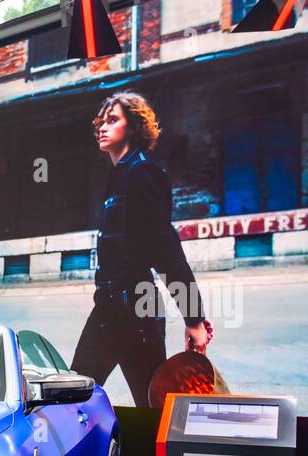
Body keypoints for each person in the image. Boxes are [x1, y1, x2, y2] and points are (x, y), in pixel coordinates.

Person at [71, 92, 214, 407]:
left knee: (152, 408)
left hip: (138, 313)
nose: (102, 128)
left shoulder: (142, 173)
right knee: (73, 397)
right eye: (101, 121)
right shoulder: (119, 177)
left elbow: (165, 250)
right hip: (108, 310)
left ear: (133, 127)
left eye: (113, 120)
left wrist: (194, 318)